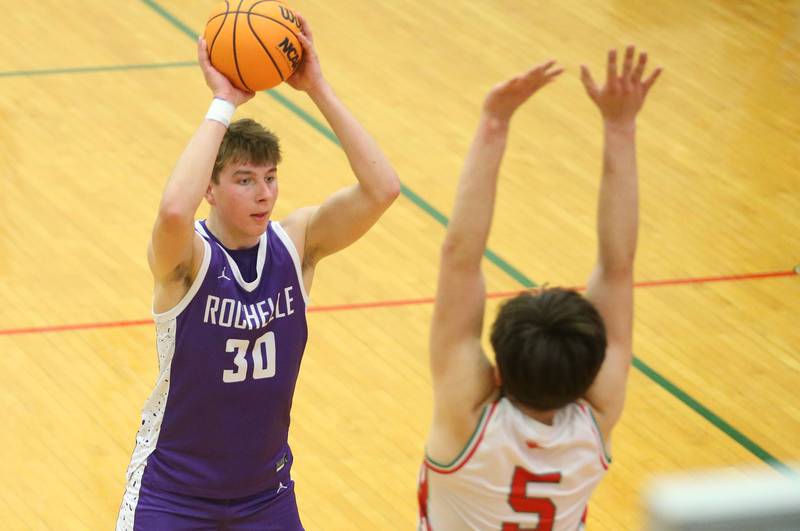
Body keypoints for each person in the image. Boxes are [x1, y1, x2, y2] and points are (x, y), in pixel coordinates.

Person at [117, 13, 400, 530]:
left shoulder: (298, 246)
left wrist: (317, 87)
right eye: (244, 180)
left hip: (264, 497)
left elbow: (383, 189)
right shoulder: (187, 263)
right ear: (210, 187)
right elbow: (174, 213)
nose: (264, 192)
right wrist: (223, 102)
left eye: (269, 178)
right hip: (173, 496)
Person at [418, 46, 661, 530]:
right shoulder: (598, 414)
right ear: (592, 370)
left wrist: (494, 123)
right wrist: (620, 127)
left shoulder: (470, 418)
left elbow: (460, 259)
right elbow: (618, 266)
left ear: (498, 374)